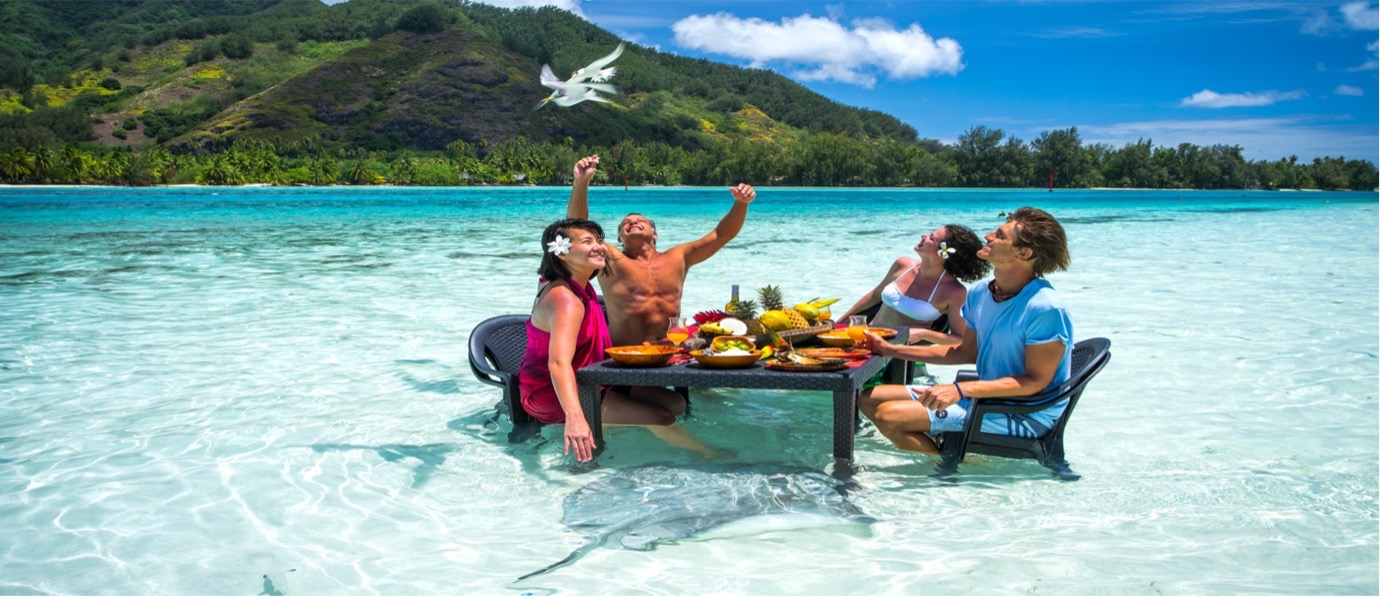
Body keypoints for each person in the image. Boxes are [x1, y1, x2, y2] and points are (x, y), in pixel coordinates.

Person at [858, 207, 1074, 455]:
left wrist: (959, 390)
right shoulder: (981, 293)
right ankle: (947, 443)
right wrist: (891, 349)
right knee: (869, 397)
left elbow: (1035, 381)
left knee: (889, 416)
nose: (988, 236)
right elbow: (964, 352)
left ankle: (951, 467)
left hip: (1024, 414)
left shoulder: (1045, 307)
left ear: (1023, 253)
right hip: (983, 396)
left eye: (1000, 235)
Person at [517, 218, 725, 462]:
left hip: (591, 379)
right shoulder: (566, 300)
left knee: (675, 403)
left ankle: (632, 438)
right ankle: (710, 458)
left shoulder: (579, 285)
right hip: (552, 392)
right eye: (587, 242)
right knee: (662, 417)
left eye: (598, 240)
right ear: (562, 253)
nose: (599, 247)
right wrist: (575, 417)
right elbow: (558, 364)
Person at [565, 155, 756, 346]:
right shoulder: (612, 259)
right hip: (625, 355)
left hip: (671, 351)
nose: (633, 222)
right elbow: (578, 229)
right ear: (619, 238)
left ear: (655, 234)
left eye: (641, 221)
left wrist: (741, 204)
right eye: (626, 223)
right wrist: (581, 183)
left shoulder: (678, 257)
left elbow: (721, 235)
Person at [837, 224, 989, 346]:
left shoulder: (954, 291)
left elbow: (959, 339)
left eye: (931, 237)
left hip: (905, 357)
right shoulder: (902, 265)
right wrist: (840, 323)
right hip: (867, 342)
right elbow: (874, 296)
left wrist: (924, 334)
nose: (923, 236)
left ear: (943, 252)